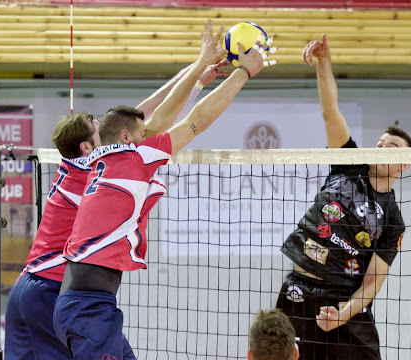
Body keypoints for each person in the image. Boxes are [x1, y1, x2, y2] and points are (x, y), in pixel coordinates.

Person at [4, 24, 231, 360]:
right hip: (52, 290)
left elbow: (143, 113)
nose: (106, 133)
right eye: (98, 131)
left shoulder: (77, 163)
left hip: (30, 289)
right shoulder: (100, 166)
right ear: (86, 146)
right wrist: (198, 69)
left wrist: (196, 73)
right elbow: (151, 126)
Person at [52, 21, 275, 359]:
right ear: (127, 138)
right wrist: (243, 72)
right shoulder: (133, 157)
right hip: (88, 310)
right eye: (143, 133)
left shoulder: (104, 159)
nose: (153, 134)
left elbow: (156, 123)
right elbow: (197, 121)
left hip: (86, 305)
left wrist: (200, 72)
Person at [275, 34, 411, 360]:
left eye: (392, 147)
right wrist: (324, 62)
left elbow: (372, 283)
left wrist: (345, 312)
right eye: (380, 143)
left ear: (405, 163)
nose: (382, 148)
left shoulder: (393, 219)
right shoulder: (348, 163)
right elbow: (330, 112)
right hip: (301, 289)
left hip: (346, 301)